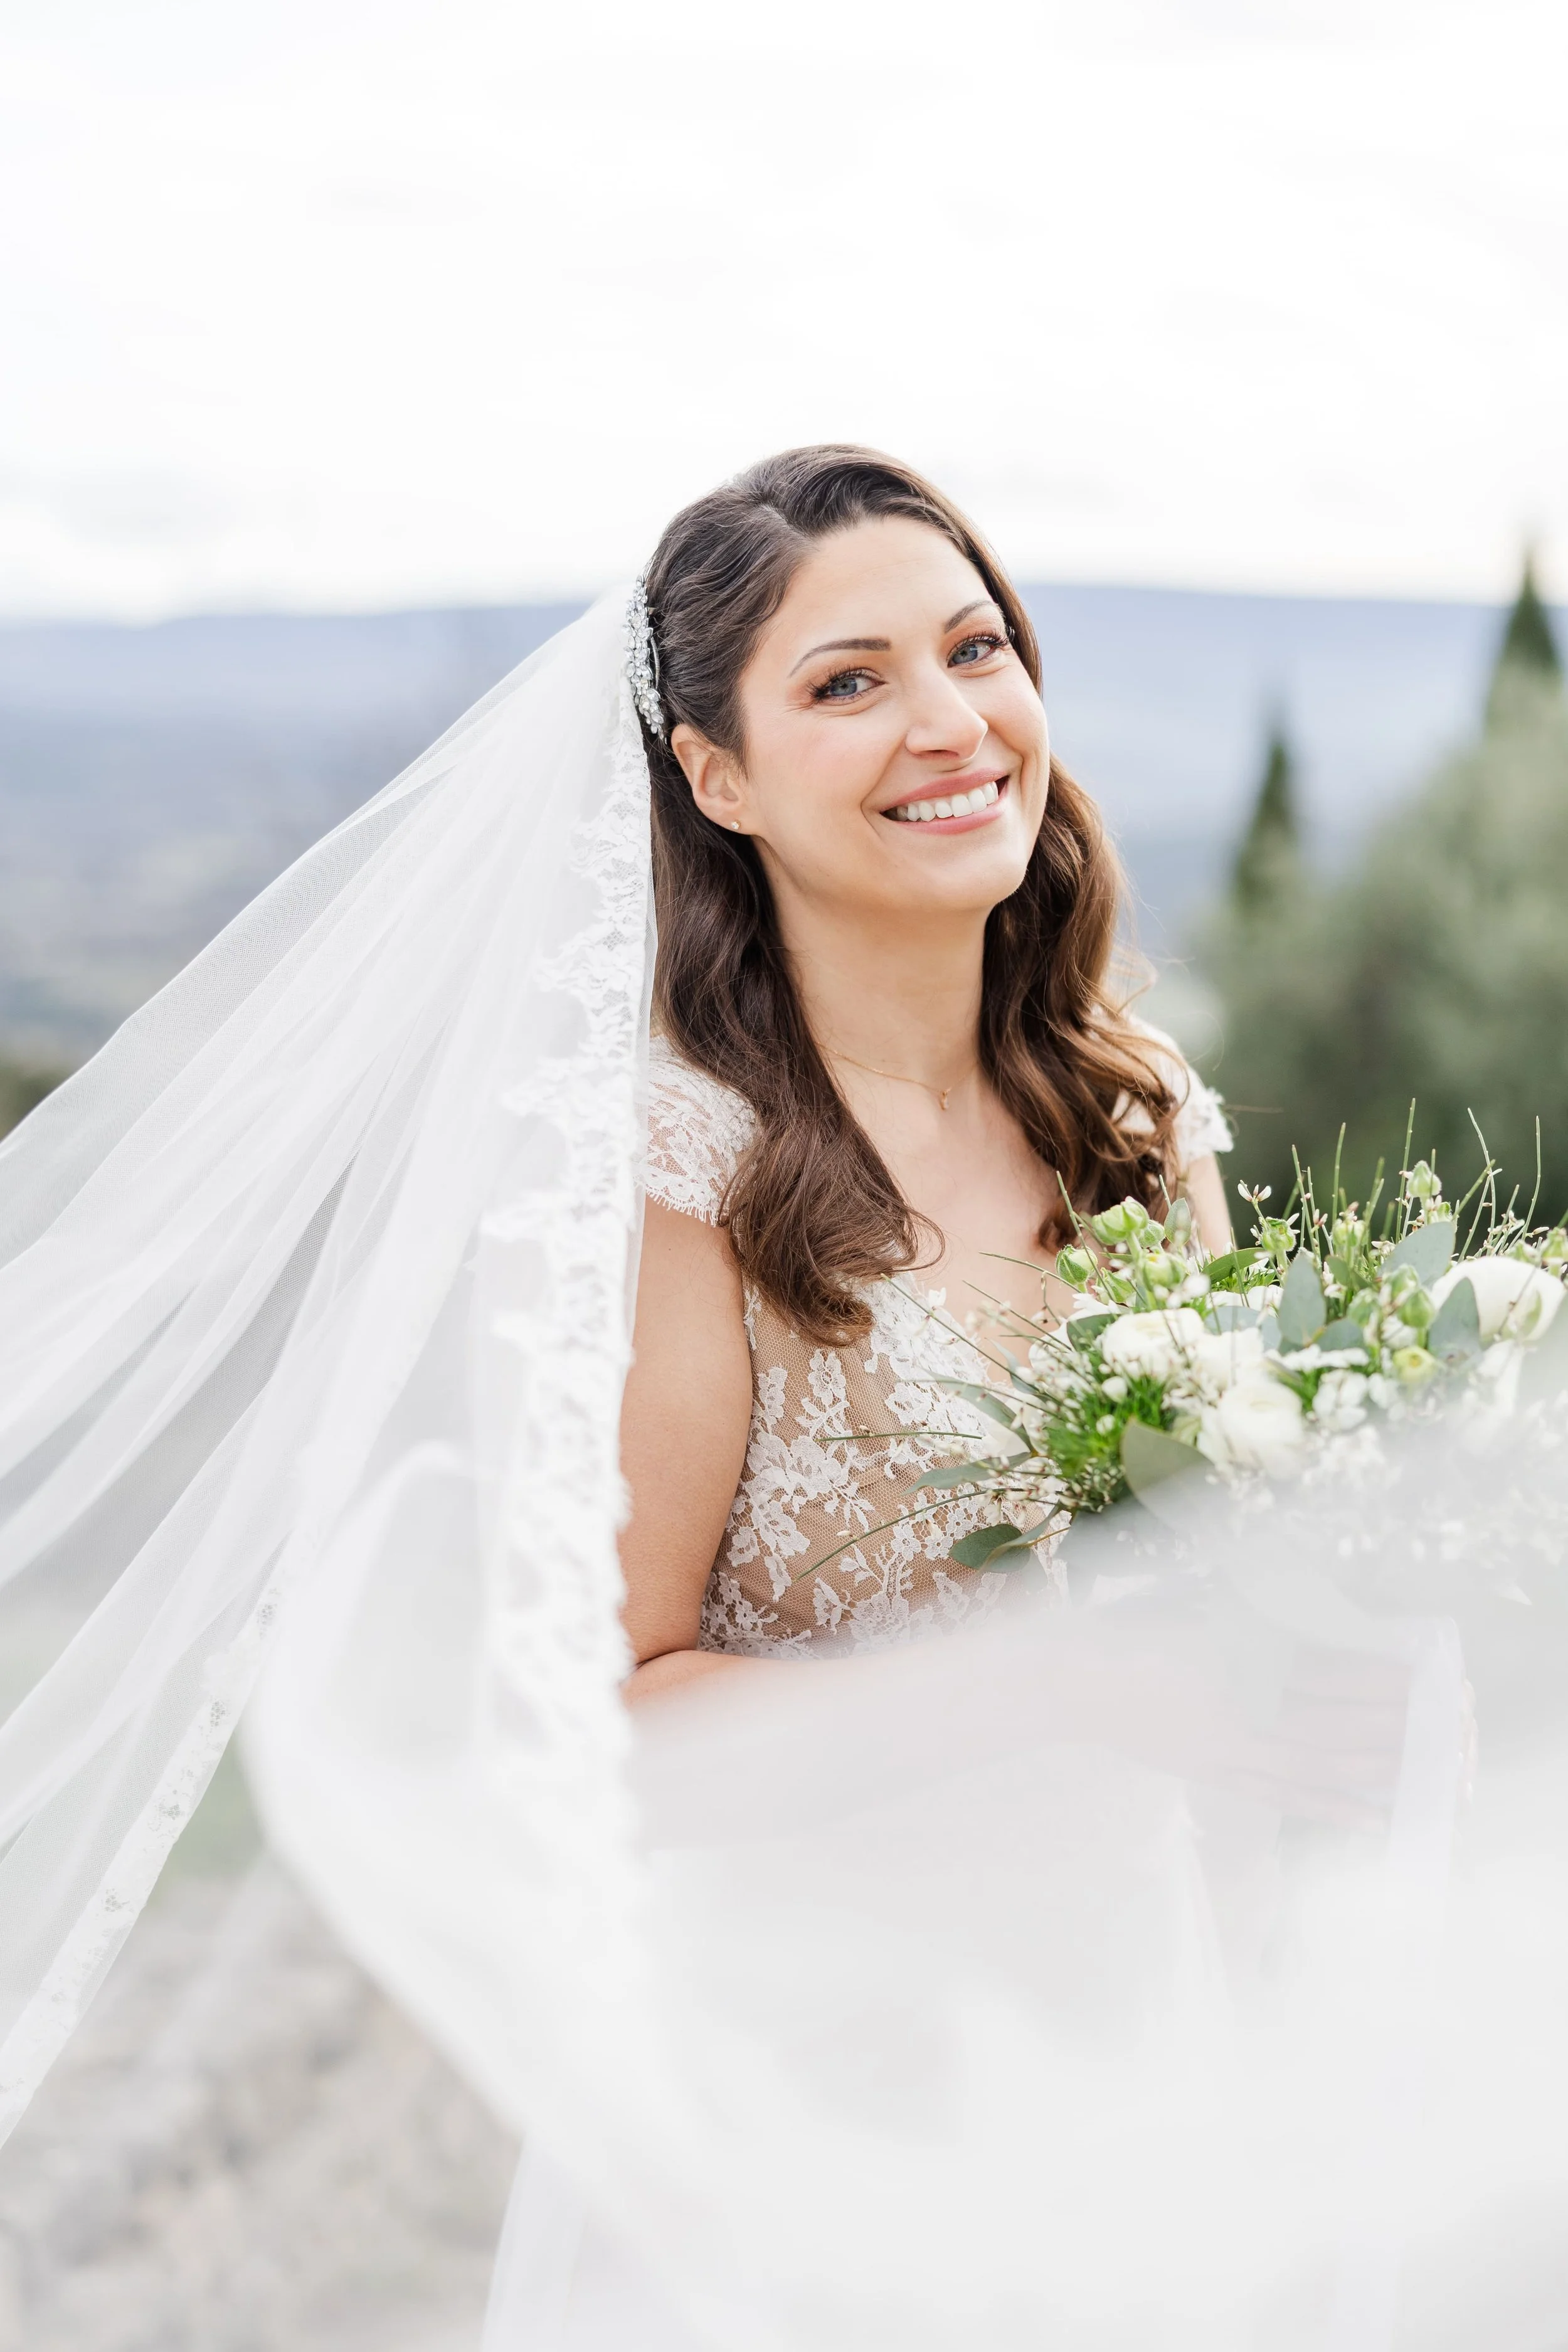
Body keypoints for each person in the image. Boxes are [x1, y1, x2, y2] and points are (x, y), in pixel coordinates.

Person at [617, 448, 1232, 1695]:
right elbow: (605, 1713)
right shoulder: (675, 1165)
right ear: (714, 774)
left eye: (973, 650)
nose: (953, 727)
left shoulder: (1132, 1102)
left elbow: (1238, 1549)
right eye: (847, 684)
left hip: (1153, 1879)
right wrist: (1052, 1707)